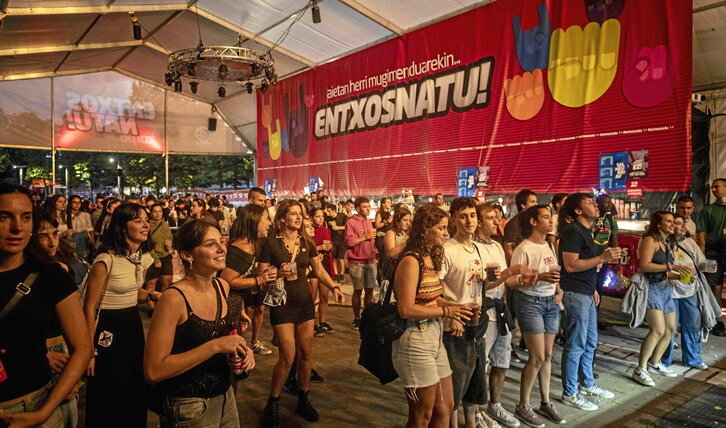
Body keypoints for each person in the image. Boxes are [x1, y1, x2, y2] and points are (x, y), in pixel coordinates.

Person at [144, 219, 255, 427]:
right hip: (189, 406)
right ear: (187, 255)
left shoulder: (222, 287)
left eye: (222, 242)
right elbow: (153, 370)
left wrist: (242, 352)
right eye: (210, 244)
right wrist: (215, 346)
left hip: (226, 397)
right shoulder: (174, 298)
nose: (222, 248)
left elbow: (224, 339)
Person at [0, 184, 92, 427]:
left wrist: (45, 411)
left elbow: (82, 348)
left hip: (33, 404)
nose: (17, 227)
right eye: (4, 216)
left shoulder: (51, 276)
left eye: (26, 217)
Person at [258, 199, 344, 428]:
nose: (299, 217)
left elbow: (319, 270)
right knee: (287, 356)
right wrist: (277, 274)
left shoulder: (307, 243)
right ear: (283, 218)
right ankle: (273, 402)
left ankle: (303, 397)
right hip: (282, 305)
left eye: (301, 214)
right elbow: (261, 277)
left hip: (305, 303)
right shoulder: (270, 244)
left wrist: (334, 286)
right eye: (294, 213)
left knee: (306, 354)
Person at [392, 203, 472, 428]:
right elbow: (406, 309)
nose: (447, 233)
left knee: (445, 407)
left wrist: (456, 307)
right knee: (421, 414)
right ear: (425, 230)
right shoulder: (411, 260)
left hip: (434, 337)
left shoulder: (429, 256)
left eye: (447, 228)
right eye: (441, 228)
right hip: (415, 340)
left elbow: (430, 296)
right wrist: (448, 311)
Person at [82, 203, 161, 427]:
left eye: (146, 220)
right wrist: (88, 351)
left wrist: (152, 295)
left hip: (132, 324)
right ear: (121, 227)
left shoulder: (139, 258)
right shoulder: (105, 260)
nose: (145, 224)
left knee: (134, 385)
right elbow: (90, 307)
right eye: (138, 220)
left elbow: (131, 291)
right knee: (111, 388)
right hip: (108, 328)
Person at [439, 197, 500, 428]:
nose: (469, 221)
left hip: (477, 323)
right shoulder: (446, 250)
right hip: (454, 325)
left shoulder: (477, 249)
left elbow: (485, 284)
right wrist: (450, 313)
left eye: (473, 215)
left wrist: (506, 274)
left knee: (474, 379)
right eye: (463, 216)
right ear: (453, 219)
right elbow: (433, 287)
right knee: (456, 380)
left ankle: (472, 423)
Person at [558, 193, 620, 411]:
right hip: (575, 294)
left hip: (586, 292)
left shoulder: (587, 232)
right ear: (577, 211)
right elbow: (571, 265)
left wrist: (594, 287)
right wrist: (602, 258)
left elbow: (588, 264)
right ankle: (570, 392)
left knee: (590, 342)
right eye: (589, 203)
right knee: (576, 343)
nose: (595, 204)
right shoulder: (573, 232)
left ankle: (587, 384)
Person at [510, 205, 566, 426]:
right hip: (530, 303)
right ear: (533, 222)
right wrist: (538, 277)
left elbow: (554, 272)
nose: (550, 221)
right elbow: (512, 281)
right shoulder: (523, 249)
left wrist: (558, 290)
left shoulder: (549, 244)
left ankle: (545, 402)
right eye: (545, 217)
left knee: (549, 355)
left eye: (550, 217)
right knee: (537, 357)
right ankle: (523, 405)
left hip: (550, 302)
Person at [474, 203, 524, 428]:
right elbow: (485, 283)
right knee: (480, 365)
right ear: (478, 221)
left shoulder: (497, 245)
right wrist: (509, 273)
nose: (496, 221)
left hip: (501, 310)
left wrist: (525, 278)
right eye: (490, 218)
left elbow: (505, 281)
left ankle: (495, 405)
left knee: (501, 361)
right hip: (483, 311)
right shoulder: (472, 248)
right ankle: (476, 411)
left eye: (498, 217)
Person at [632, 211, 692, 386]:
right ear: (658, 224)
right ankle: (640, 369)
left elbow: (663, 271)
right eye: (669, 221)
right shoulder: (650, 240)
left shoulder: (667, 243)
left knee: (671, 329)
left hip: (666, 288)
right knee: (657, 330)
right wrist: (671, 266)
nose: (673, 224)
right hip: (651, 289)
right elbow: (644, 265)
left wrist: (678, 276)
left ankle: (655, 362)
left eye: (674, 221)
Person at [221, 204, 275, 358]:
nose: (269, 223)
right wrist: (259, 280)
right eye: (266, 218)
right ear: (254, 220)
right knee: (231, 353)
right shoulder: (242, 248)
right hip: (227, 305)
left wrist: (242, 309)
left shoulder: (250, 245)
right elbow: (227, 280)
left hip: (236, 305)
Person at [661, 214, 709, 371]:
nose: (681, 226)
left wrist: (697, 269)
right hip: (670, 292)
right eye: (676, 223)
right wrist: (669, 274)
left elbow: (701, 262)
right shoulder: (662, 243)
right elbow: (653, 265)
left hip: (690, 290)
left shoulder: (690, 242)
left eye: (682, 224)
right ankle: (663, 360)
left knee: (692, 325)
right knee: (670, 328)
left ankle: (692, 359)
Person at [696, 178, 726, 336]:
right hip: (712, 254)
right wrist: (703, 251)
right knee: (715, 286)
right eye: (712, 187)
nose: (713, 189)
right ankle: (716, 319)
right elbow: (701, 232)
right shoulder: (708, 210)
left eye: (717, 186)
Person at [346, 197, 378, 329]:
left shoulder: (369, 222)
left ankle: (367, 316)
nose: (368, 209)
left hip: (370, 261)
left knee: (370, 290)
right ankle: (357, 317)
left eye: (368, 206)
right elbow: (350, 242)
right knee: (358, 291)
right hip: (357, 262)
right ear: (358, 208)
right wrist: (365, 237)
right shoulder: (351, 222)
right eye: (365, 207)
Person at [310, 207, 335, 334]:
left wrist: (329, 247)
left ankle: (322, 322)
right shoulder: (308, 231)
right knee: (312, 296)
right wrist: (319, 247)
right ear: (311, 218)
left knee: (324, 295)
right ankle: (311, 323)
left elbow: (329, 246)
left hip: (324, 262)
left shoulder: (326, 230)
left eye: (322, 216)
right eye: (317, 216)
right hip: (313, 265)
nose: (320, 219)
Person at [146, 204, 174, 313]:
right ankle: (152, 308)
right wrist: (156, 259)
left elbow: (169, 238)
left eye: (160, 211)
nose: (158, 214)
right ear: (151, 213)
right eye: (155, 211)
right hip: (153, 258)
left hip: (166, 256)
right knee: (151, 283)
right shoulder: (147, 226)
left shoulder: (165, 224)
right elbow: (147, 244)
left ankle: (162, 306)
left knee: (166, 283)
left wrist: (170, 245)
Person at [503, 190, 538, 260]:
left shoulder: (532, 221)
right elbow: (508, 248)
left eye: (536, 201)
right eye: (532, 202)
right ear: (523, 205)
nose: (536, 204)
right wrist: (514, 267)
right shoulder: (514, 223)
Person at [382, 206, 412, 281]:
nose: (408, 223)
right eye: (405, 220)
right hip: (394, 269)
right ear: (397, 221)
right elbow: (391, 253)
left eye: (409, 220)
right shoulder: (391, 233)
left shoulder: (407, 233)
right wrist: (406, 244)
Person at [330, 200, 353, 283]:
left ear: (333, 210)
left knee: (341, 258)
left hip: (341, 240)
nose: (328, 213)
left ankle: (342, 274)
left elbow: (347, 227)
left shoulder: (342, 216)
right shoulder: (328, 218)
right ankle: (336, 274)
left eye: (329, 211)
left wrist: (338, 228)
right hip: (332, 240)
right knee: (334, 258)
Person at [68, 195, 94, 261]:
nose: (77, 205)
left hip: (84, 238)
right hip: (73, 239)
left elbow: (90, 228)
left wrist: (92, 241)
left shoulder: (85, 214)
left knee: (85, 258)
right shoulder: (66, 215)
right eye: (74, 202)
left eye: (79, 202)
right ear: (70, 203)